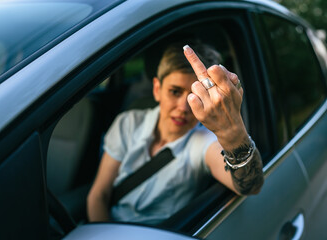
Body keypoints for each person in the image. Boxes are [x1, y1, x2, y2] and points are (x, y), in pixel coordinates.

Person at [87, 40, 264, 225]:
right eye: (175, 91)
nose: (184, 107)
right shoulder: (128, 122)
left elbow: (251, 186)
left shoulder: (203, 141)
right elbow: (99, 195)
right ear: (157, 89)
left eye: (196, 97)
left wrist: (233, 134)